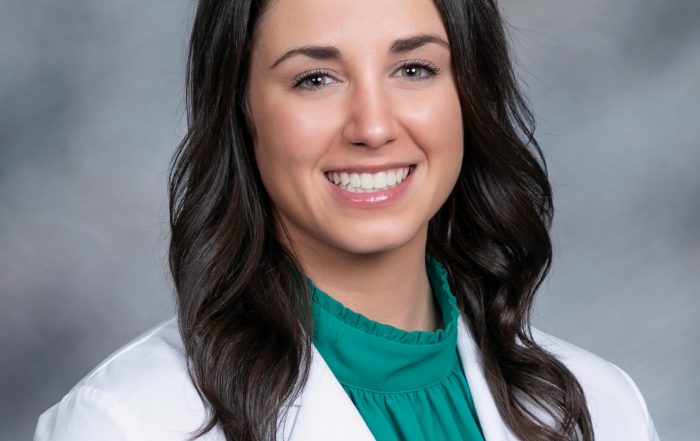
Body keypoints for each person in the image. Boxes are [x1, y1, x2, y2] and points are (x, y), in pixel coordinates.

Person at [34, 0, 661, 440]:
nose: (374, 127)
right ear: (241, 113)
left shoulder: (602, 406)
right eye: (315, 79)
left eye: (413, 69)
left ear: (468, 95)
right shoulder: (124, 422)